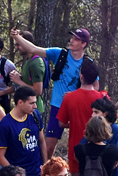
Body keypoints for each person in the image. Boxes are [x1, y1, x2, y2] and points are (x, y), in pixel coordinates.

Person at [9, 26, 91, 159]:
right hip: (58, 106)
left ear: (84, 44)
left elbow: (94, 87)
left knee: (79, 147)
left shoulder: (87, 63)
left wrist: (76, 95)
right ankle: (45, 173)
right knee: (49, 146)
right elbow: (33, 49)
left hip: (77, 108)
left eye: (76, 39)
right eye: (72, 37)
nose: (72, 41)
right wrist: (16, 37)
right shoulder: (60, 53)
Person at [57, 59, 109, 176]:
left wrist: (75, 122)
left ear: (81, 76)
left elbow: (61, 123)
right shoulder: (102, 97)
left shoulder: (69, 98)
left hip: (76, 148)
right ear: (96, 79)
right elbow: (110, 120)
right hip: (99, 148)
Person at [0, 85, 45, 176]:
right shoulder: (6, 125)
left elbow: (41, 141)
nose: (35, 106)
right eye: (31, 103)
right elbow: (0, 155)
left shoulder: (35, 115)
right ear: (20, 102)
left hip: (37, 173)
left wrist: (45, 165)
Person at [7, 29, 47, 116]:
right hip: (25, 108)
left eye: (19, 44)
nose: (16, 48)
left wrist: (18, 81)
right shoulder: (29, 60)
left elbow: (38, 91)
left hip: (33, 110)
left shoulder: (36, 63)